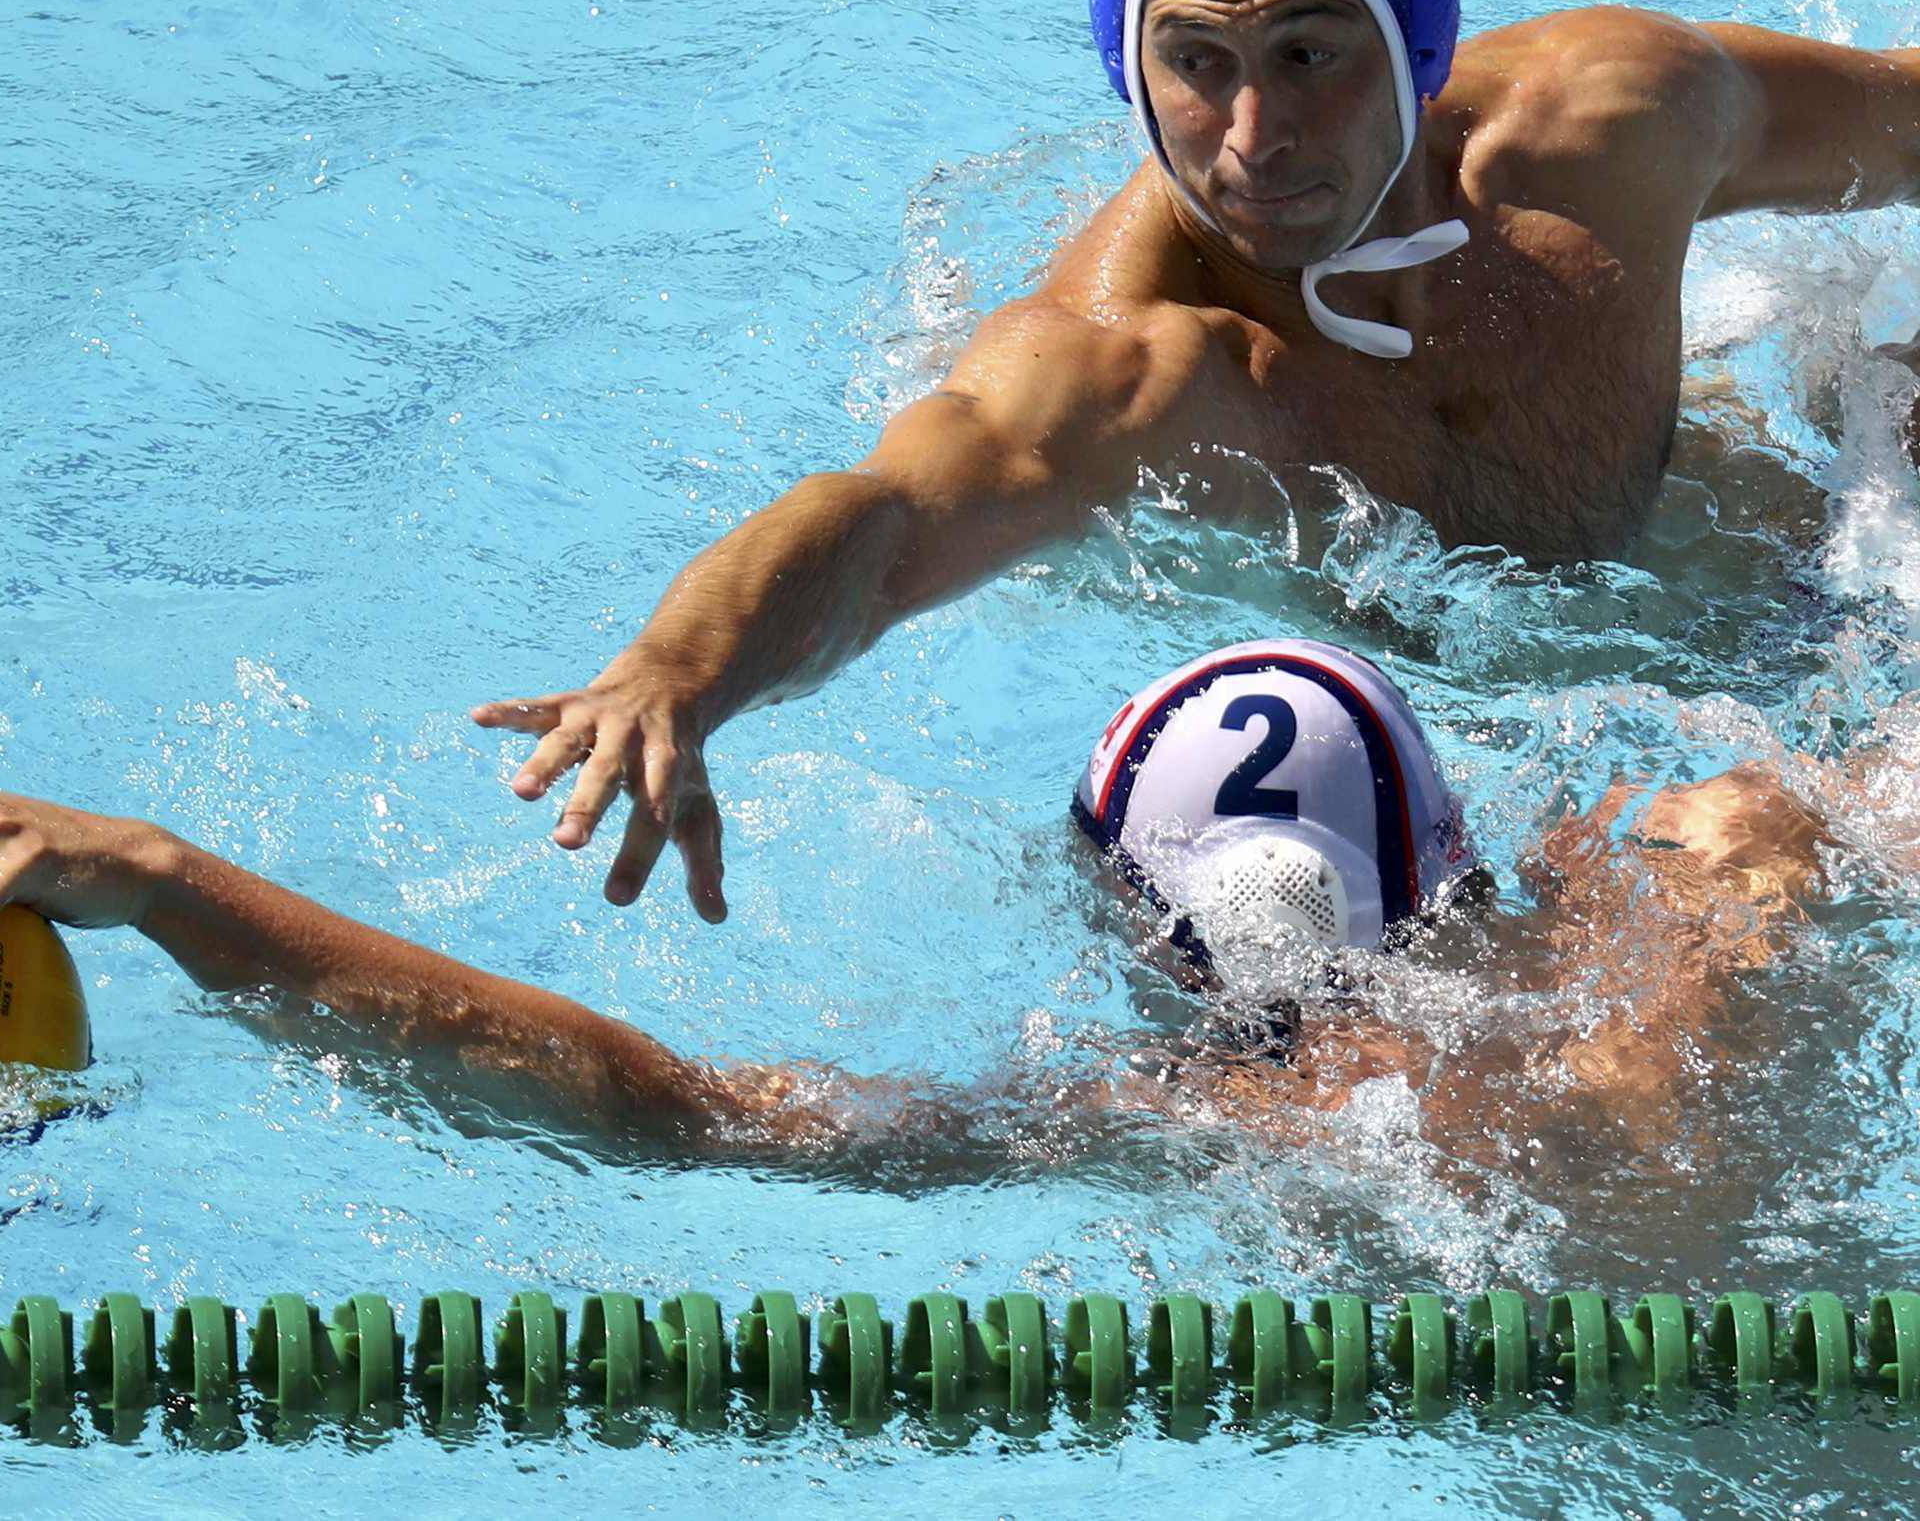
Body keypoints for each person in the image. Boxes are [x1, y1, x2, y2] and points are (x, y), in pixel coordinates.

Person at [472, 0, 1920, 924]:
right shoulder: (1139, 364)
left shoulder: (1615, 129)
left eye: (1307, 51)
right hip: (1505, 776)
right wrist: (679, 669)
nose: (1252, 136)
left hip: (1794, 576)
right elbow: (892, 515)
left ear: (1415, 34)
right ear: (1129, 57)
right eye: (1197, 60)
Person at [0, 641, 1884, 1176]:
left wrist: (169, 883)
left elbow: (667, 1108)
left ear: (1153, 935)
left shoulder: (1240, 1117)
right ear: (1445, 867)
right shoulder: (1694, 930)